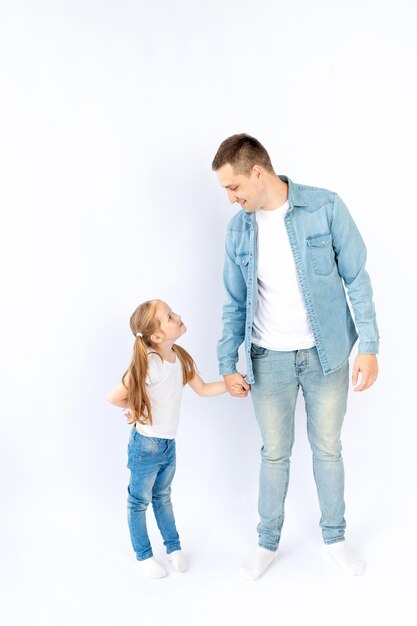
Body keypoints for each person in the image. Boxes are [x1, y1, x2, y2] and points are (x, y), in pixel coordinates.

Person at [212, 134, 379, 581]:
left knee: (328, 449)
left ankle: (335, 538)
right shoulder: (238, 231)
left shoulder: (325, 208)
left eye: (234, 187)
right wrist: (227, 364)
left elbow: (357, 278)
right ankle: (266, 544)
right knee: (274, 454)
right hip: (269, 360)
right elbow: (234, 301)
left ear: (258, 173)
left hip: (327, 356)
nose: (231, 198)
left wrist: (370, 346)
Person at [108, 299, 230, 579]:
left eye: (173, 313)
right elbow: (115, 397)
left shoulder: (180, 356)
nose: (178, 317)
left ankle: (173, 548)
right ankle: (144, 556)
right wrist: (136, 408)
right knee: (138, 502)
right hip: (145, 446)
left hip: (168, 445)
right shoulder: (149, 363)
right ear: (157, 336)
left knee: (163, 497)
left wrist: (230, 384)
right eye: (170, 316)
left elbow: (202, 388)